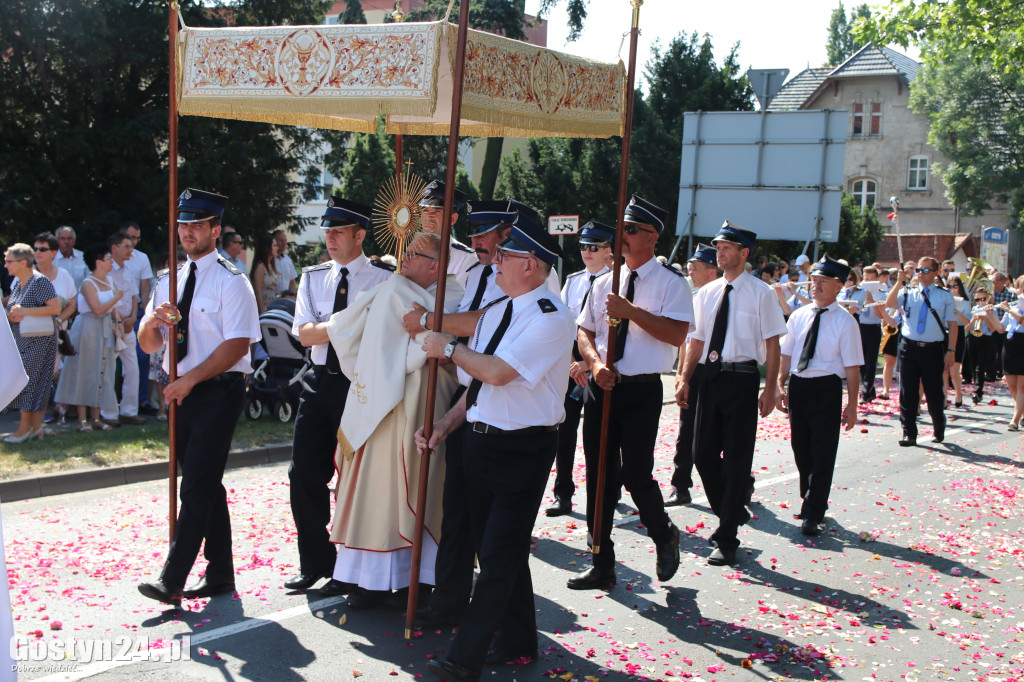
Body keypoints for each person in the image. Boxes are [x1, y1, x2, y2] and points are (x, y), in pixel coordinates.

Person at [415, 212, 575, 681]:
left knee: (500, 555)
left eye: (506, 256)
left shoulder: (551, 317)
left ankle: (463, 658)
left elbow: (499, 372)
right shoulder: (498, 310)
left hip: (523, 450)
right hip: (480, 442)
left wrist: (446, 346)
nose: (496, 262)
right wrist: (445, 424)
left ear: (532, 265)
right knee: (495, 550)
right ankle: (520, 637)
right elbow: (477, 387)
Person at [302, 232, 463, 608]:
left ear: (436, 265)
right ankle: (367, 578)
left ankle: (417, 580)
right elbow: (349, 328)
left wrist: (422, 325)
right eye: (404, 252)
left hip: (423, 398)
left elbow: (454, 339)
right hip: (378, 400)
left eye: (414, 255)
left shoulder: (455, 298)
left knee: (414, 482)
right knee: (374, 488)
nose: (403, 259)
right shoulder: (392, 288)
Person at [136, 188, 260, 606]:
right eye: (183, 224)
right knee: (207, 484)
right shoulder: (167, 278)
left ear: (215, 229)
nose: (187, 232)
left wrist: (190, 380)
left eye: (196, 224)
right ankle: (221, 573)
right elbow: (149, 343)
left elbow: (238, 345)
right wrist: (154, 322)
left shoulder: (231, 279)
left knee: (196, 486)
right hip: (181, 391)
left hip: (216, 389)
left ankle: (172, 579)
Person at [568, 195, 688, 590]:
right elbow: (585, 331)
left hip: (641, 390)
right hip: (603, 387)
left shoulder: (671, 283)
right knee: (599, 477)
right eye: (621, 229)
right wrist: (595, 363)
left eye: (631, 229)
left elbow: (675, 334)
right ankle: (601, 560)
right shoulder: (604, 281)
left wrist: (632, 312)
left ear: (652, 236)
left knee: (636, 473)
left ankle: (663, 533)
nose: (622, 236)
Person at [282, 196, 394, 596]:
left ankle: (354, 568)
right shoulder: (313, 277)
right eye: (327, 231)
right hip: (318, 382)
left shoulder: (383, 280)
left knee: (357, 478)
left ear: (359, 235)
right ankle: (316, 563)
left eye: (338, 231)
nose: (329, 238)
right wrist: (348, 324)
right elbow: (304, 333)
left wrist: (329, 327)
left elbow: (383, 335)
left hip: (360, 385)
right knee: (304, 474)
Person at [677, 221, 787, 566]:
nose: (721, 253)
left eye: (727, 248)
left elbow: (772, 342)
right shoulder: (707, 294)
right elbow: (696, 341)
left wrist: (770, 387)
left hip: (741, 378)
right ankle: (731, 508)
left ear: (743, 253)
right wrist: (683, 378)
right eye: (718, 248)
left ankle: (727, 537)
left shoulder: (761, 293)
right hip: (709, 378)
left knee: (737, 457)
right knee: (702, 453)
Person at [777, 256, 862, 535]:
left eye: (823, 281)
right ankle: (809, 497)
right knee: (801, 448)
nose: (816, 285)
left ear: (839, 286)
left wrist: (852, 404)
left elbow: (851, 368)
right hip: (800, 386)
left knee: (823, 451)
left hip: (826, 388)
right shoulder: (800, 315)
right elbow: (786, 353)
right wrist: (780, 383)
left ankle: (813, 510)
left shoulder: (846, 322)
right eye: (814, 280)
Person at [546, 221, 613, 517]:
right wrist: (573, 362)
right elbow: (564, 325)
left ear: (609, 250)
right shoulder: (573, 281)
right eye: (584, 246)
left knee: (599, 437)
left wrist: (589, 362)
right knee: (565, 432)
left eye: (594, 247)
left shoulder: (616, 283)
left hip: (600, 367)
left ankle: (605, 491)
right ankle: (563, 493)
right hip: (571, 367)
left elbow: (611, 334)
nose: (587, 251)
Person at [885, 257, 958, 447]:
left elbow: (952, 324)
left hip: (932, 349)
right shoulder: (907, 291)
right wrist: (898, 283)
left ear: (935, 273)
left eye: (926, 270)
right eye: (919, 269)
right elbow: (890, 303)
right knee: (907, 391)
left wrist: (951, 350)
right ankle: (909, 432)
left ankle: (938, 426)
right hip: (909, 347)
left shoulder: (944, 295)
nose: (921, 273)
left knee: (933, 391)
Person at [667, 243, 719, 507]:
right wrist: (680, 374)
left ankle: (741, 483)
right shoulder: (693, 297)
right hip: (694, 369)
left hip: (720, 371)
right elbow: (686, 340)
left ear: (713, 272)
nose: (690, 275)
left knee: (718, 433)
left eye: (695, 269)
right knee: (686, 430)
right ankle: (680, 485)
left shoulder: (724, 296)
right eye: (689, 269)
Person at [53, 244, 124, 433]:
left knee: (102, 370)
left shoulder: (109, 281)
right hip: (88, 328)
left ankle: (96, 418)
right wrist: (117, 298)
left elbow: (112, 311)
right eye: (108, 259)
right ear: (98, 262)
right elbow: (97, 309)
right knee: (84, 371)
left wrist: (119, 324)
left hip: (105, 329)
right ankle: (82, 419)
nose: (111, 262)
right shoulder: (87, 283)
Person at [3, 244, 60, 443]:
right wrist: (15, 315)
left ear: (23, 262)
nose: (5, 265)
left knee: (28, 383)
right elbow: (15, 311)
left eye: (9, 261)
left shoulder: (39, 281)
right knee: (34, 383)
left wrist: (24, 311)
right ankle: (36, 428)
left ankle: (24, 428)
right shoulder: (19, 283)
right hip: (24, 339)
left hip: (39, 340)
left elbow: (55, 308)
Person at [102, 231, 145, 426]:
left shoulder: (128, 268)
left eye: (131, 245)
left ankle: (129, 411)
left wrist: (133, 317)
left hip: (129, 324)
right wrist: (120, 320)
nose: (131, 249)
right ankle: (109, 414)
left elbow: (135, 296)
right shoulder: (106, 270)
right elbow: (106, 300)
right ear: (114, 248)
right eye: (126, 246)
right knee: (110, 369)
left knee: (133, 369)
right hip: (112, 325)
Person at [418, 180, 477, 288]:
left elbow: (458, 300)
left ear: (453, 219)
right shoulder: (412, 252)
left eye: (436, 211)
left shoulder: (466, 258)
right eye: (425, 210)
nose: (429, 217)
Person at [997, 283, 1024, 430]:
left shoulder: (1012, 309)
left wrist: (1009, 310)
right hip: (1010, 345)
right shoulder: (1013, 307)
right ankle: (1022, 412)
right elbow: (1001, 328)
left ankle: (1014, 420)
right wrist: (989, 315)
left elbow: (1022, 320)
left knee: (1022, 386)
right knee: (1012, 385)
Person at [967, 289, 1001, 405]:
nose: (980, 302)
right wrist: (974, 319)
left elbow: (993, 329)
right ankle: (977, 388)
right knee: (972, 365)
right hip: (972, 338)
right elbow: (967, 330)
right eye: (977, 299)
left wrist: (986, 317)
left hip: (985, 339)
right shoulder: (974, 309)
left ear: (987, 299)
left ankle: (978, 392)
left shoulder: (991, 310)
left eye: (983, 299)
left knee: (979, 367)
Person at [858, 266, 885, 402]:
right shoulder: (859, 292)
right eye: (865, 278)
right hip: (860, 327)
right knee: (861, 362)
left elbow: (882, 315)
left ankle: (866, 392)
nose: (866, 281)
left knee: (870, 362)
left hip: (873, 328)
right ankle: (870, 389)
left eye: (870, 279)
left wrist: (872, 301)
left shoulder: (881, 293)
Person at [947, 277, 971, 407]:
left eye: (955, 286)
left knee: (954, 370)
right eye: (949, 287)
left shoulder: (966, 302)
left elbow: (967, 322)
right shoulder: (945, 300)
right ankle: (943, 398)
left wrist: (956, 310)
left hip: (959, 332)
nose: (952, 289)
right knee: (943, 370)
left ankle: (958, 393)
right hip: (945, 332)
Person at [249, 235, 279, 315]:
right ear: (267, 248)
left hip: (271, 305)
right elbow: (258, 290)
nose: (277, 248)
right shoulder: (261, 266)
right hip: (263, 307)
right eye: (274, 246)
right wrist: (262, 312)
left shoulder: (271, 265)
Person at [272, 229, 297, 295]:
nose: (284, 243)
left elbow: (292, 281)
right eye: (281, 240)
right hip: (271, 299)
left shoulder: (288, 260)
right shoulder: (269, 260)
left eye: (285, 240)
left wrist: (291, 296)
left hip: (285, 300)